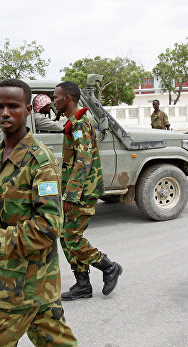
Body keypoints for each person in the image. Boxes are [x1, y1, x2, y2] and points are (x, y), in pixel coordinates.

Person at [0, 79, 77, 346]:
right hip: (20, 276)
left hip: (27, 280)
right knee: (54, 340)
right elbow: (0, 205)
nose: (5, 113)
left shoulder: (40, 161)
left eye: (13, 106)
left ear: (27, 110)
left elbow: (49, 226)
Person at [53, 81, 123, 301]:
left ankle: (108, 266)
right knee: (66, 238)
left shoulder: (80, 125)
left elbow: (83, 162)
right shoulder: (72, 123)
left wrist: (71, 194)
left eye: (56, 96)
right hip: (74, 191)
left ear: (67, 98)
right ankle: (82, 283)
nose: (54, 100)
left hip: (82, 192)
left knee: (71, 238)